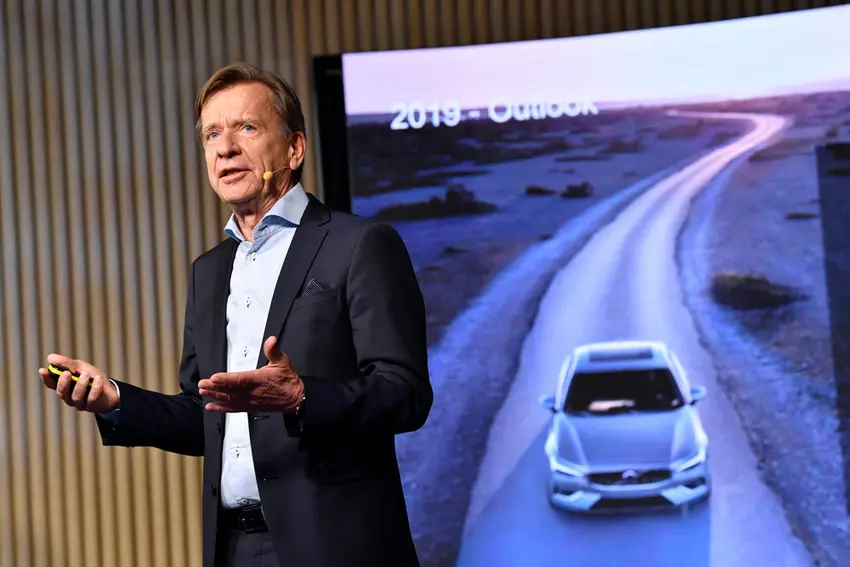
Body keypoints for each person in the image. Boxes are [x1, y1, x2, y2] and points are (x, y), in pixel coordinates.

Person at [38, 61, 433, 567]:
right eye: (211, 134)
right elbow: (206, 414)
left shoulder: (360, 244)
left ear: (294, 148)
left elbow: (405, 393)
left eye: (246, 127)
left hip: (336, 545)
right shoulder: (208, 271)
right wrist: (116, 400)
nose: (224, 148)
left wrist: (301, 397)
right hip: (234, 547)